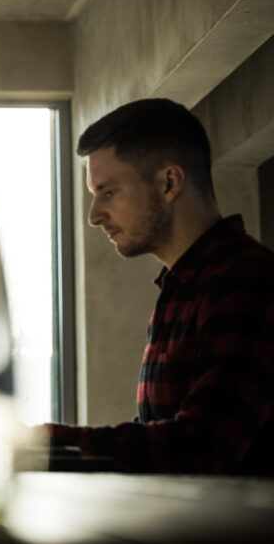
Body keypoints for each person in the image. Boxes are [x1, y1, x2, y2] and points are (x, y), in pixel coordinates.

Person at [44, 98, 274, 475]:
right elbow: (158, 437)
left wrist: (42, 442)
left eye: (108, 192)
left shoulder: (249, 283)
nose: (93, 216)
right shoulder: (180, 290)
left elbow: (202, 447)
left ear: (169, 182)